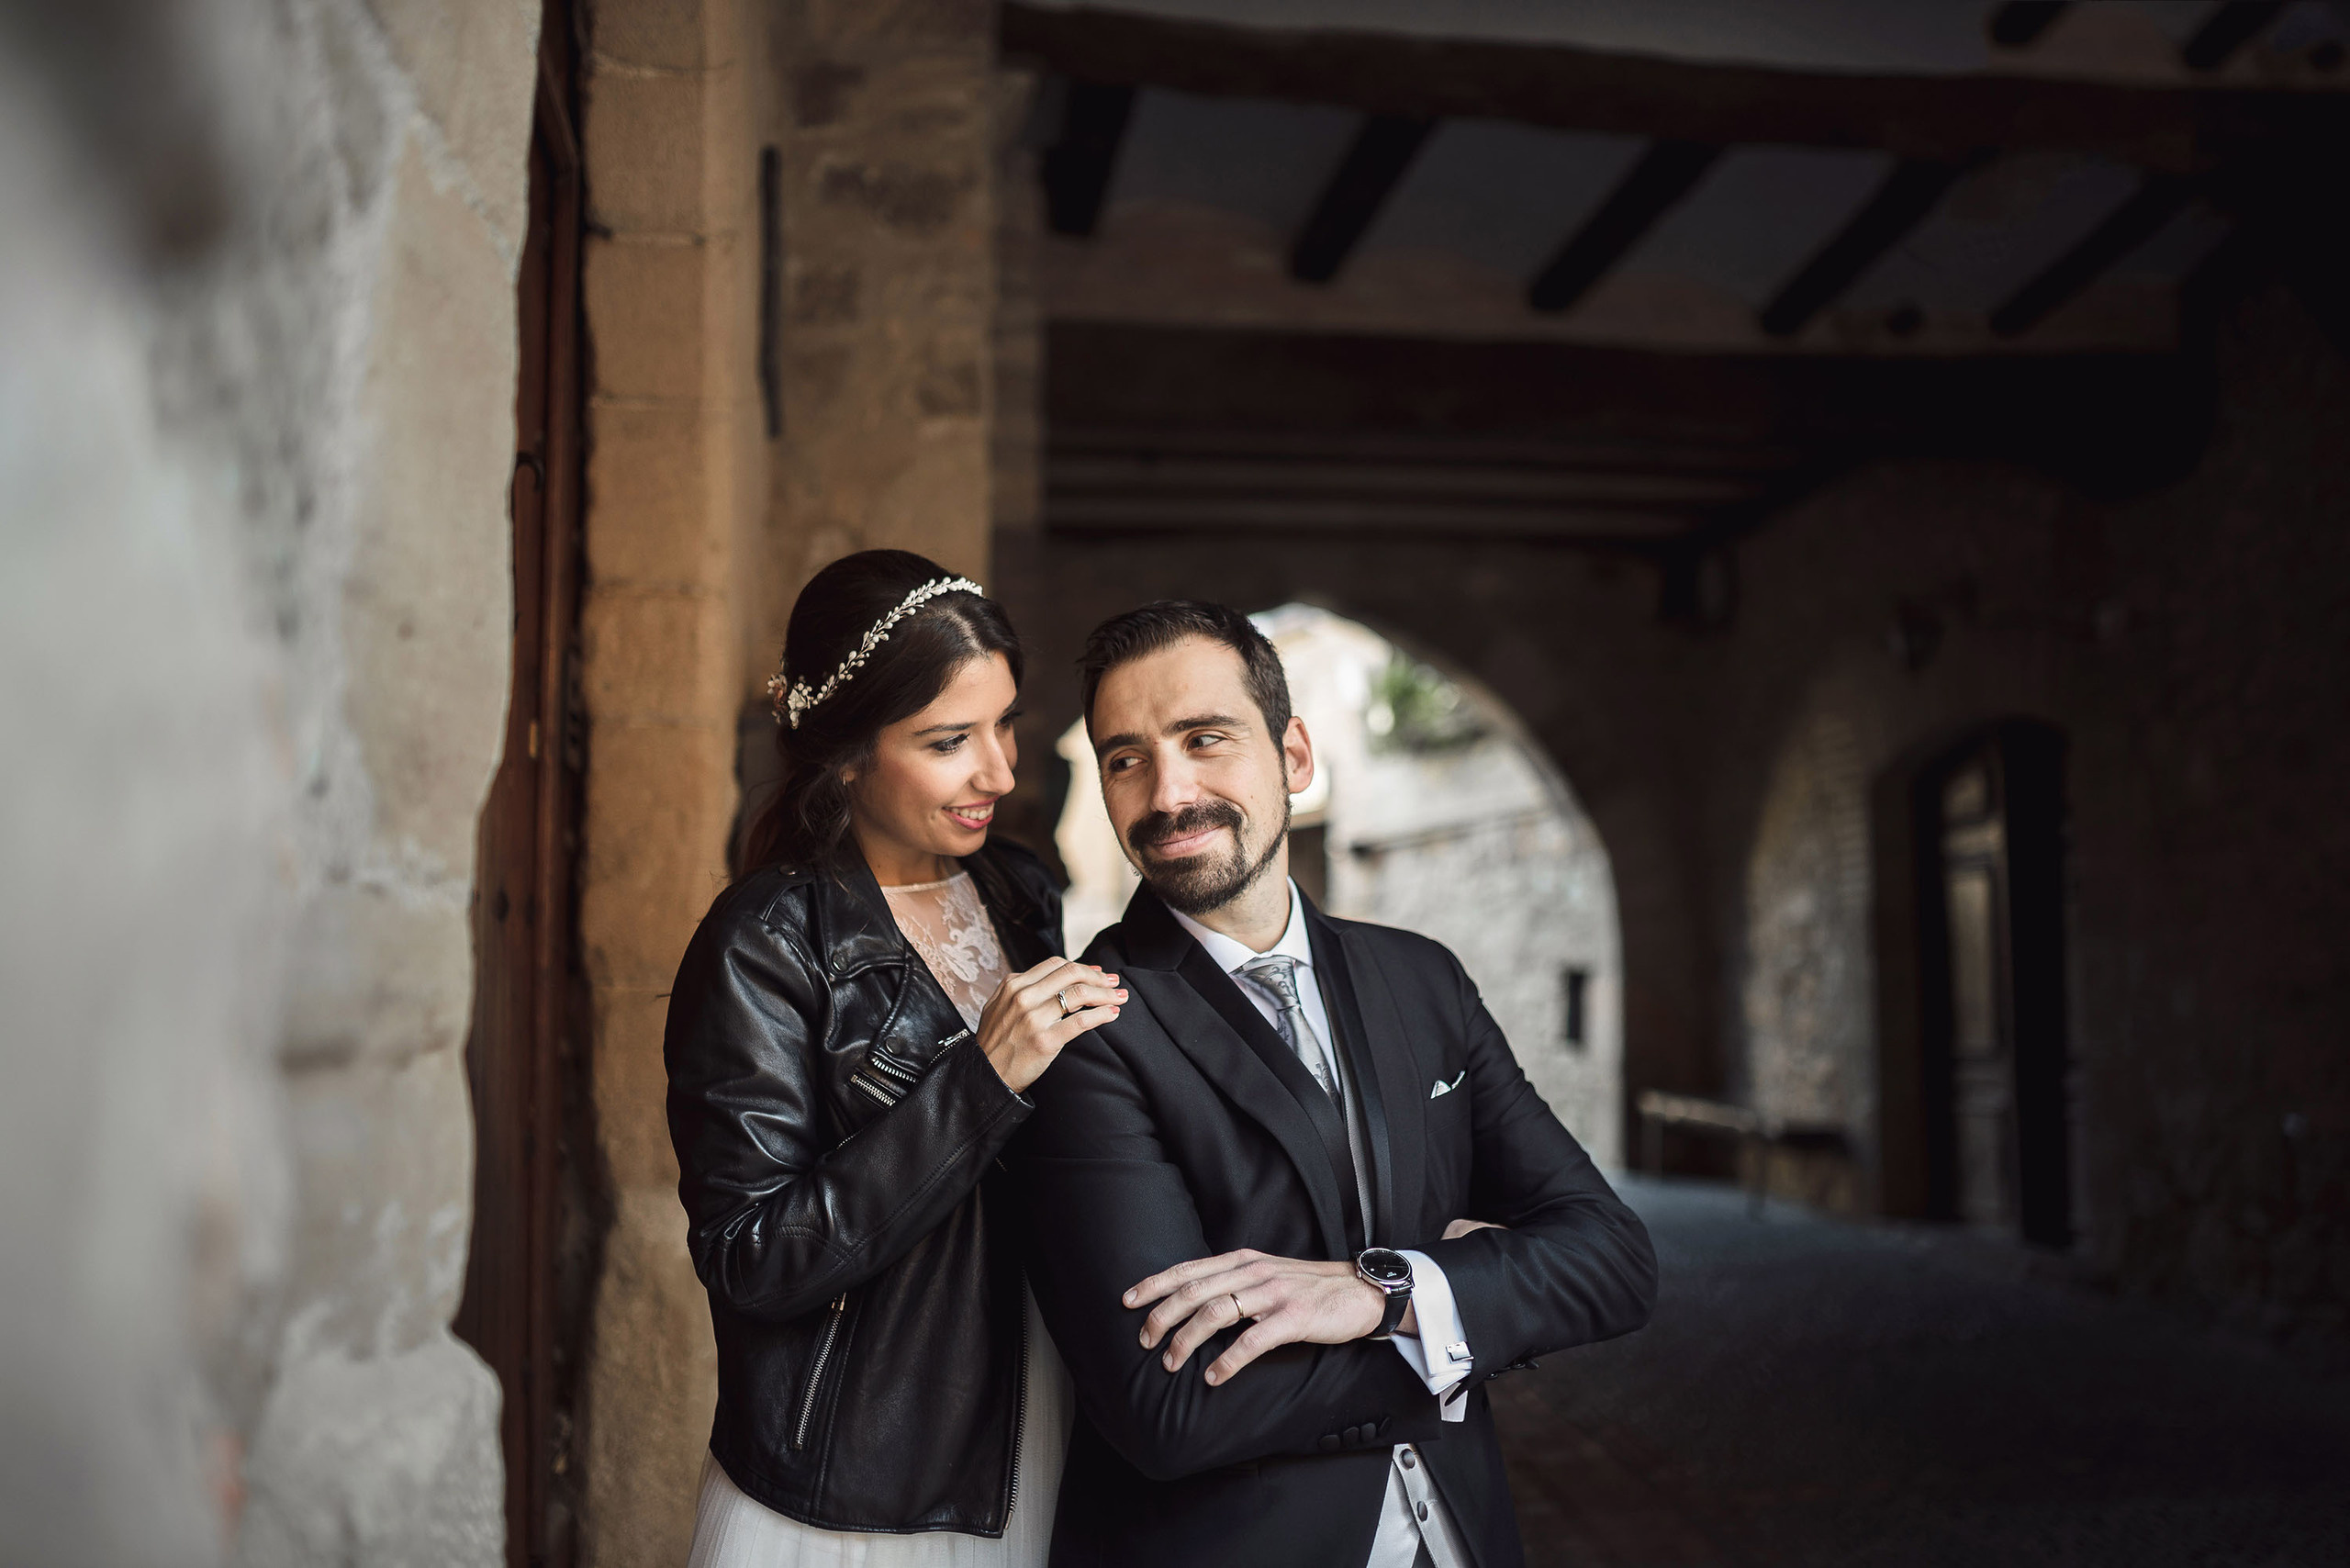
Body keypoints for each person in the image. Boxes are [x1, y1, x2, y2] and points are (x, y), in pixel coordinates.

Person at [1013, 601, 1658, 1568]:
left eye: (1205, 739)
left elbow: (1612, 1260)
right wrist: (1462, 1316)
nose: (1167, 792)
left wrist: (1382, 1294)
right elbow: (1171, 1407)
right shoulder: (1087, 1026)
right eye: (1125, 759)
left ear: (1294, 756)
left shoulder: (1424, 979)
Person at [665, 551, 1123, 1566]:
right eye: (949, 741)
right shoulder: (764, 942)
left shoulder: (1018, 887)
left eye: (1004, 723)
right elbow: (749, 1257)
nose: (1000, 772)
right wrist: (980, 1081)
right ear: (846, 755)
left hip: (1033, 1414)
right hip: (861, 1472)